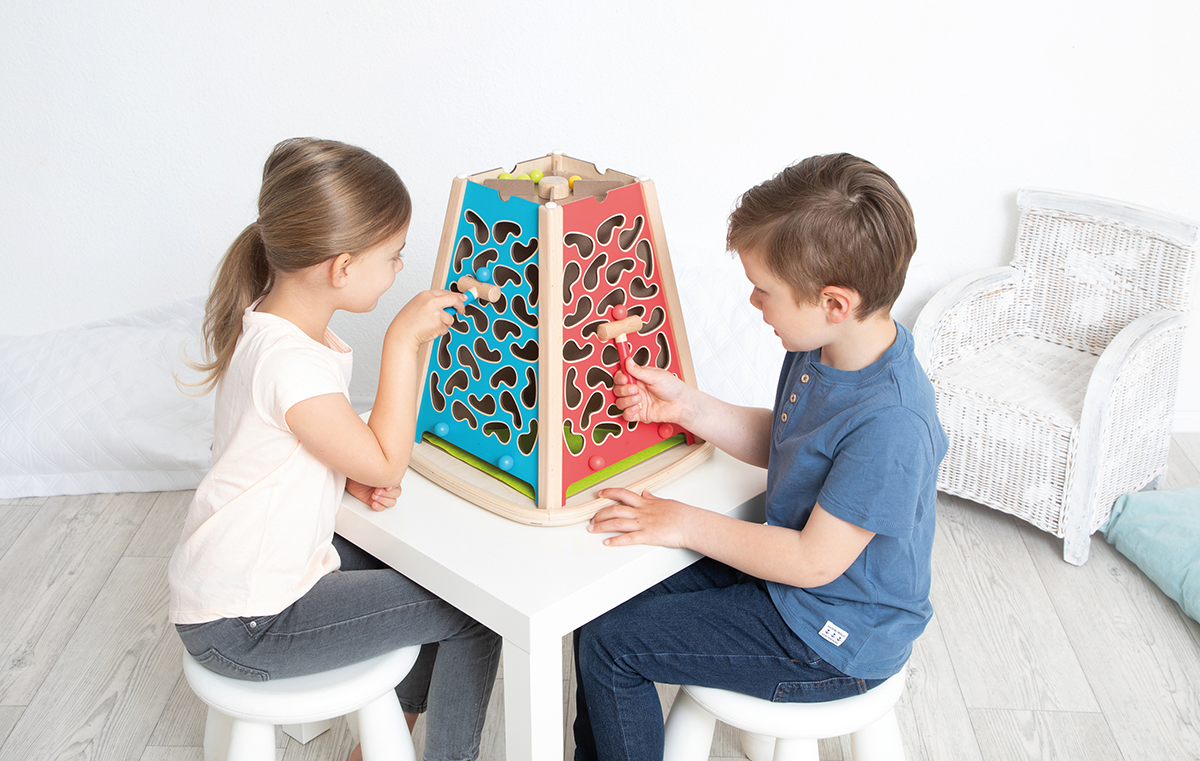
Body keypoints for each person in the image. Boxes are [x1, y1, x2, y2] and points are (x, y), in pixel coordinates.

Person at [572, 153, 948, 760]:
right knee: (599, 605)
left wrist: (684, 522)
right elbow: (793, 443)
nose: (753, 300)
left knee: (614, 646)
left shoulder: (892, 424)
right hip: (790, 587)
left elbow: (812, 562)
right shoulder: (825, 347)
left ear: (834, 302)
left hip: (832, 637)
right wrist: (687, 407)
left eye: (764, 289)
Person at [169, 137, 501, 761]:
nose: (398, 268)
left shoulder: (275, 326)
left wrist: (346, 471)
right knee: (474, 613)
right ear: (342, 268)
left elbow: (293, 448)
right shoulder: (291, 363)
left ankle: (385, 740)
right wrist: (403, 342)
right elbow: (387, 461)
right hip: (248, 624)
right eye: (393, 256)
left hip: (234, 592)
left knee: (409, 572)